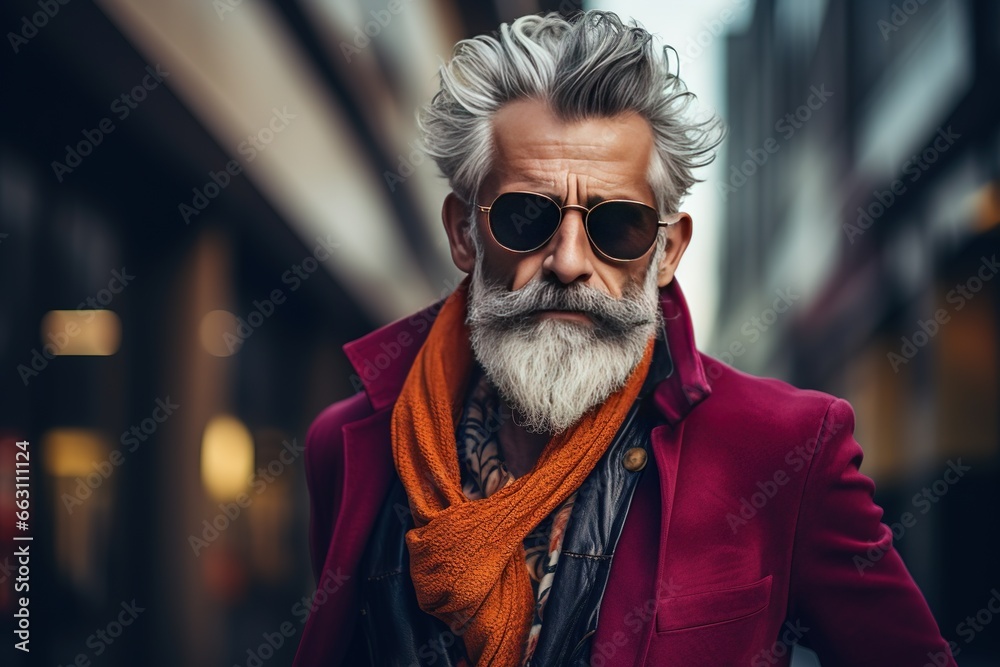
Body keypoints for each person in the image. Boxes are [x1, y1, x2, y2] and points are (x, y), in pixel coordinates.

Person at [293, 10, 956, 667]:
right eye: (527, 215)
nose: (570, 260)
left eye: (618, 227)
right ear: (464, 233)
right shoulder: (348, 447)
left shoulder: (787, 450)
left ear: (667, 250)